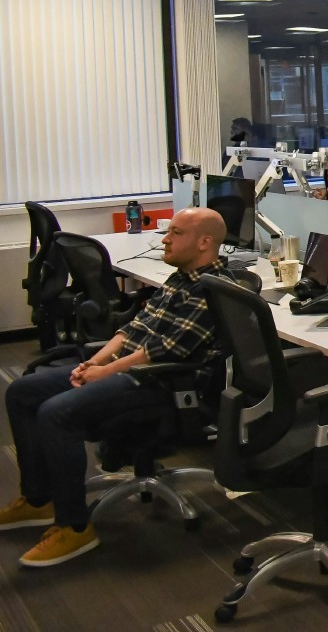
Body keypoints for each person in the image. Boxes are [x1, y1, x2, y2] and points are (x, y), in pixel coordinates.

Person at [0, 208, 233, 567]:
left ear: (205, 243)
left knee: (55, 412)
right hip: (130, 371)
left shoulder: (213, 288)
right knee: (23, 391)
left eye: (176, 233)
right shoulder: (179, 277)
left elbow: (164, 351)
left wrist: (105, 372)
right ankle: (38, 499)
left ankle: (75, 528)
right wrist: (97, 362)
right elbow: (132, 329)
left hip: (163, 385)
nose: (165, 239)